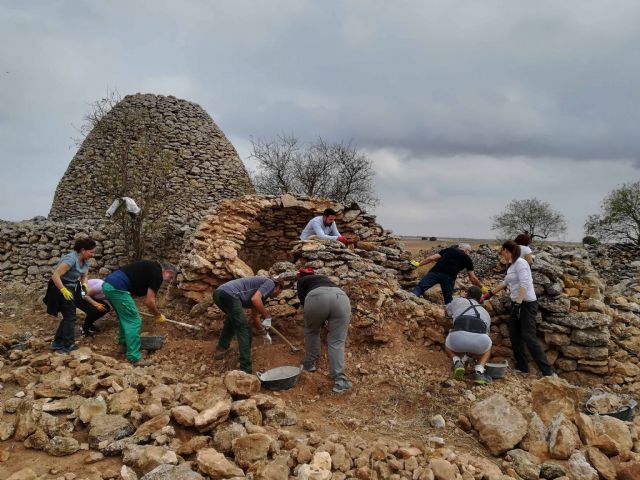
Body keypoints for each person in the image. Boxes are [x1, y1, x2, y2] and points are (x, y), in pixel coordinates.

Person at [481, 240, 553, 376]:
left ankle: (547, 372)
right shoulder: (512, 265)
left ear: (507, 251)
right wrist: (487, 295)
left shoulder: (521, 263)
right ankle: (522, 368)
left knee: (529, 336)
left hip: (526, 304)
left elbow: (525, 283)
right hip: (516, 304)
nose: (501, 254)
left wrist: (518, 302)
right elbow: (505, 283)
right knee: (514, 336)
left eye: (502, 251)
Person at [102, 260, 177, 366]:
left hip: (108, 285)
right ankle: (134, 358)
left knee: (124, 318)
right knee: (134, 320)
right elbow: (149, 301)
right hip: (118, 288)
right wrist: (158, 315)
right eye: (170, 278)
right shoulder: (157, 274)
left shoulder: (151, 266)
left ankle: (123, 345)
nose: (168, 281)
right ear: (168, 271)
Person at [297, 267, 353, 394]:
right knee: (337, 342)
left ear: (299, 276)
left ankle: (309, 364)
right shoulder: (325, 279)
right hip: (341, 297)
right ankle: (340, 381)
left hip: (315, 298)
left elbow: (302, 301)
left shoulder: (301, 280)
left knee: (312, 332)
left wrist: (319, 318)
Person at [213, 276, 284, 373]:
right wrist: (268, 316)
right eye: (279, 292)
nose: (277, 295)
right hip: (229, 294)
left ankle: (221, 349)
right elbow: (255, 299)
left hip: (219, 293)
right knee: (244, 329)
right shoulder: (270, 283)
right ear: (278, 287)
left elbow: (255, 316)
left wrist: (264, 333)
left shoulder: (261, 295)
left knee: (232, 321)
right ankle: (246, 369)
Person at [45, 238, 98, 353]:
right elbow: (55, 276)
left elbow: (84, 275)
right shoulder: (71, 259)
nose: (93, 255)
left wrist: (84, 286)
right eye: (91, 252)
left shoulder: (85, 260)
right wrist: (63, 290)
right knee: (71, 316)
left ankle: (57, 342)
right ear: (83, 250)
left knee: (68, 316)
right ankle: (67, 345)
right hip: (59, 287)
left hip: (71, 286)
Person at [445, 286, 492, 385]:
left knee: (447, 342)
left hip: (457, 339)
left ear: (467, 295)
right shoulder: (486, 313)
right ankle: (479, 371)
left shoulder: (459, 301)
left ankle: (457, 361)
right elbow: (485, 334)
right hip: (480, 341)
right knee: (487, 348)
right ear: (480, 299)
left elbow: (447, 311)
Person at [411, 244, 483, 304]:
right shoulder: (467, 259)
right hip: (449, 278)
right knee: (448, 299)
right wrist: (481, 287)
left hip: (435, 272)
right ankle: (448, 316)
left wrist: (418, 264)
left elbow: (431, 258)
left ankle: (409, 301)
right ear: (466, 250)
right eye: (469, 251)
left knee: (419, 288)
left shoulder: (449, 250)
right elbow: (472, 278)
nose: (469, 253)